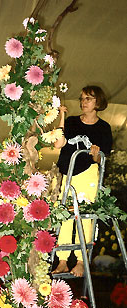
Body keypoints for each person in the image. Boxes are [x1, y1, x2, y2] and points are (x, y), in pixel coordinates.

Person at [52, 85, 112, 277]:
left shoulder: (104, 128)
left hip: (88, 174)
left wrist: (95, 155)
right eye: (82, 98)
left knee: (85, 216)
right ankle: (62, 260)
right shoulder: (71, 122)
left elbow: (102, 159)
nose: (83, 102)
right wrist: (61, 116)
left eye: (88, 99)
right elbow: (58, 144)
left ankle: (80, 260)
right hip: (69, 174)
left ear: (98, 102)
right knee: (65, 215)